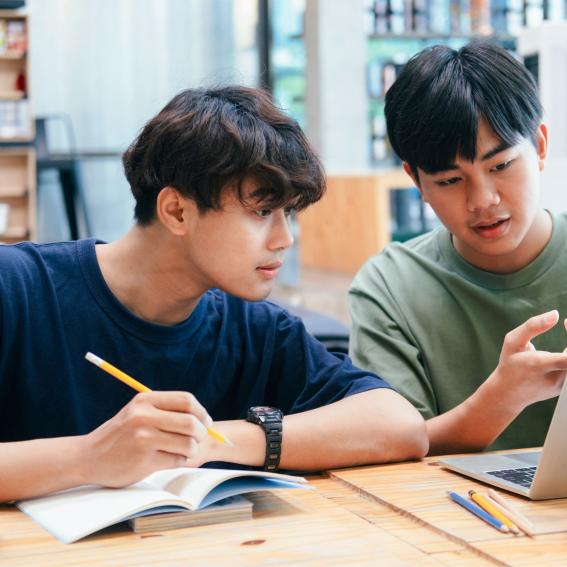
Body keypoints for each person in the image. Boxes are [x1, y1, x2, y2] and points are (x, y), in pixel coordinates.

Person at [0, 86, 427, 502]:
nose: (284, 239)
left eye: (288, 214)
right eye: (262, 212)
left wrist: (219, 443)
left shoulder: (256, 328)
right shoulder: (17, 287)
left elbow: (400, 424)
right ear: (177, 211)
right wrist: (89, 457)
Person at [349, 41, 567, 456]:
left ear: (539, 146)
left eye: (500, 166)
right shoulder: (389, 287)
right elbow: (389, 446)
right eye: (451, 180)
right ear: (417, 182)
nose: (482, 200)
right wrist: (501, 399)